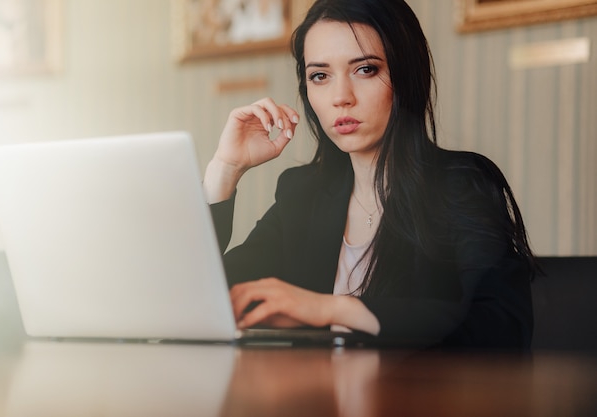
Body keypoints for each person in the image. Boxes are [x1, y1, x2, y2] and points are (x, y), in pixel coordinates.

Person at [202, 0, 536, 350]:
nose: (340, 97)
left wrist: (331, 309)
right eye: (320, 75)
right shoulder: (303, 194)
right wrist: (225, 169)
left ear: (406, 74)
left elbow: (503, 328)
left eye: (365, 70)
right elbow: (202, 295)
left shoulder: (462, 184)